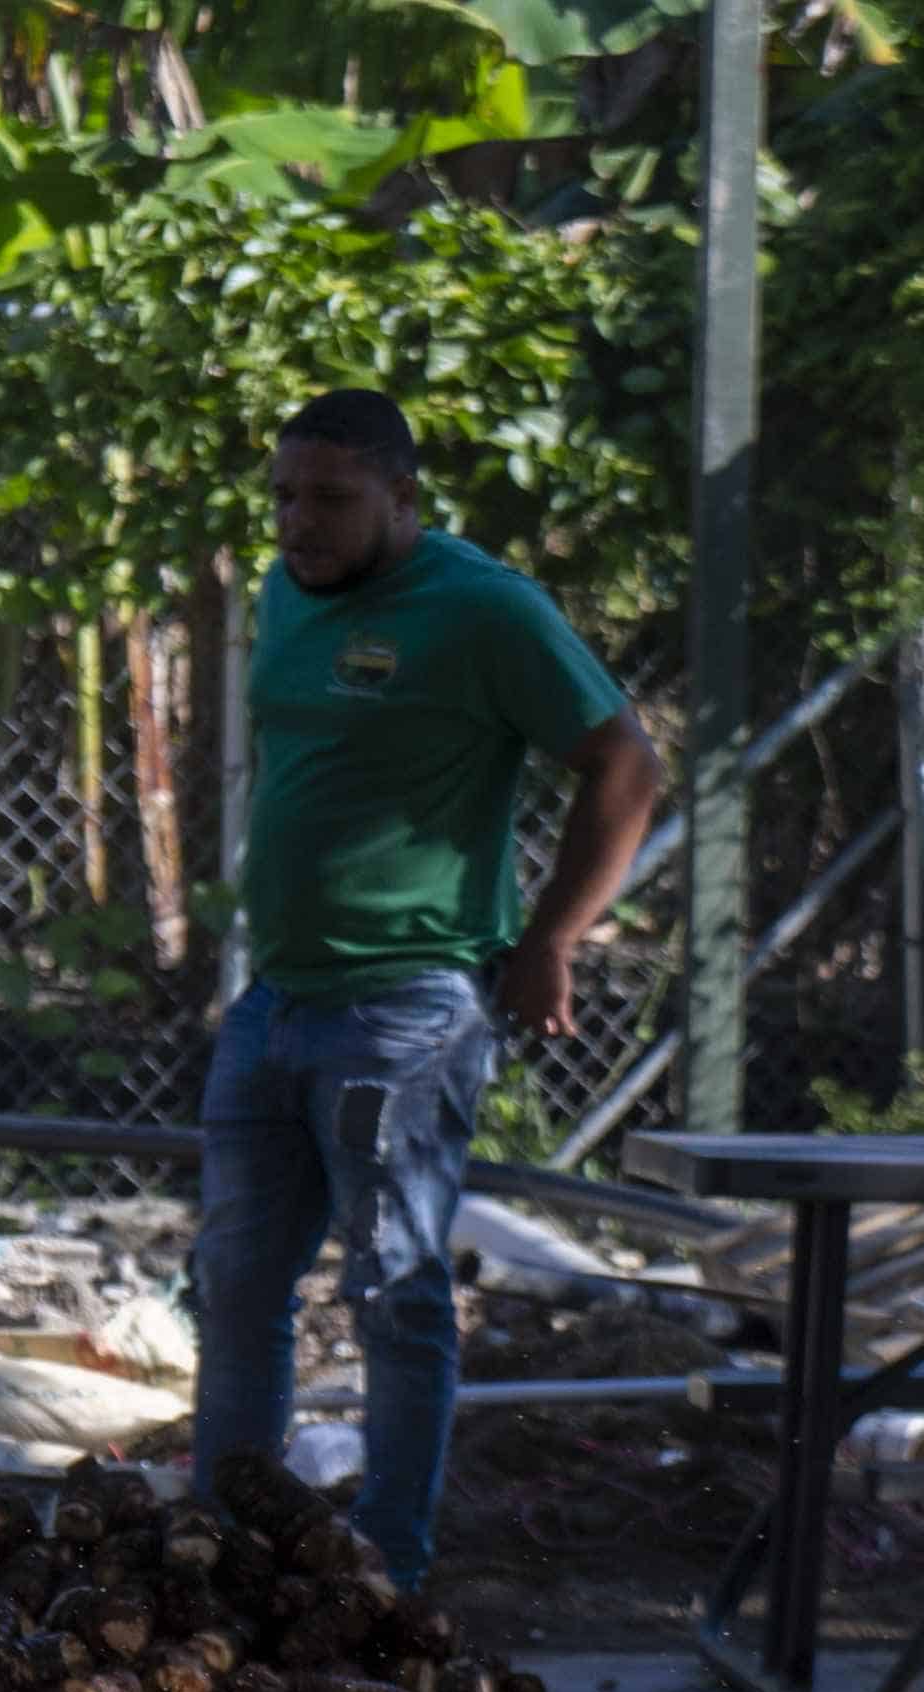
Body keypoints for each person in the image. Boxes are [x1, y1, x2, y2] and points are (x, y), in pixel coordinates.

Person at [192, 388, 665, 1589]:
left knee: (395, 1289)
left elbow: (625, 760)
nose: (301, 523)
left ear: (404, 499)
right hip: (274, 1005)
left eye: (333, 500)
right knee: (237, 1286)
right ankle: (224, 1545)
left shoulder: (484, 610)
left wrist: (554, 933)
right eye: (285, 497)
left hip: (400, 1015)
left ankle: (387, 1562)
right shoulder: (289, 588)